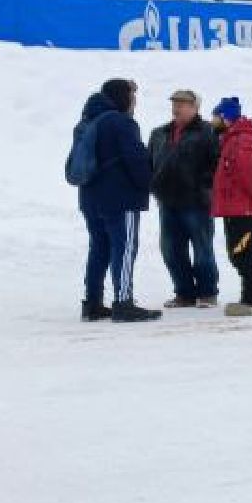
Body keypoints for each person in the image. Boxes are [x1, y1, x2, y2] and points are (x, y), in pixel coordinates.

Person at [74, 79, 160, 322]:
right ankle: (123, 302)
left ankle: (92, 303)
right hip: (120, 198)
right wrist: (148, 184)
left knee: (99, 248)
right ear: (121, 97)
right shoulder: (121, 122)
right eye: (132, 97)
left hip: (90, 196)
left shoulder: (86, 121)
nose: (134, 103)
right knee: (124, 249)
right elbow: (135, 160)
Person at [149, 89, 220, 308]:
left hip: (197, 202)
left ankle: (207, 293)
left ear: (195, 107)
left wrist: (205, 187)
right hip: (167, 201)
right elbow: (149, 162)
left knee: (202, 250)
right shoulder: (159, 133)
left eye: (183, 103)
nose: (177, 107)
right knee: (170, 250)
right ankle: (184, 293)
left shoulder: (208, 131)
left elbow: (217, 164)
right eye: (175, 102)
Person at [210, 96, 252, 316]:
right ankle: (251, 297)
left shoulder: (241, 142)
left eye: (215, 116)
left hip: (241, 209)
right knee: (239, 254)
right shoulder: (231, 140)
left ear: (225, 118)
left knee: (245, 254)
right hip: (234, 208)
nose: (212, 120)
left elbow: (248, 176)